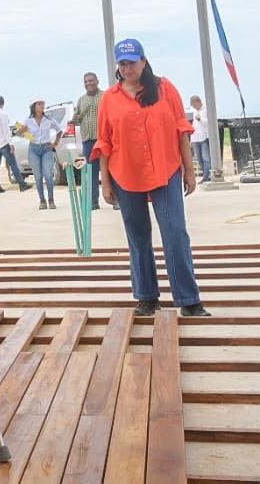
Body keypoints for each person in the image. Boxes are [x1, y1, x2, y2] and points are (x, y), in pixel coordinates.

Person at [94, 38, 210, 317]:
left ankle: (188, 299)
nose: (127, 67)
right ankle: (147, 297)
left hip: (165, 170)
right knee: (138, 236)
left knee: (175, 233)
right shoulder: (109, 99)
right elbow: (104, 144)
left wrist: (189, 169)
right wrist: (106, 182)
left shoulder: (165, 89)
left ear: (144, 61)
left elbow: (181, 130)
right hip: (126, 175)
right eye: (122, 63)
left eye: (132, 62)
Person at [17, 100, 63, 209]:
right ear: (34, 107)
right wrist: (22, 131)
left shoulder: (49, 120)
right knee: (38, 177)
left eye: (43, 104)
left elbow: (59, 131)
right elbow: (19, 133)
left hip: (47, 148)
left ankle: (51, 200)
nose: (42, 106)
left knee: (48, 175)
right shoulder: (28, 121)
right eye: (39, 104)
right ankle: (42, 200)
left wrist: (55, 143)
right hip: (34, 149)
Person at [71, 72, 104, 208]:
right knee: (90, 173)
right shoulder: (81, 100)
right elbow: (76, 120)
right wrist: (76, 118)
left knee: (110, 171)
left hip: (103, 139)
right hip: (88, 141)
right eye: (86, 81)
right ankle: (93, 202)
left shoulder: (105, 96)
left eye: (91, 80)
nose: (88, 83)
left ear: (97, 81)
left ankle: (116, 201)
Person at [0, 96, 29, 193]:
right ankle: (22, 184)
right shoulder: (3, 114)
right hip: (4, 143)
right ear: (3, 103)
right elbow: (6, 130)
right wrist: (11, 143)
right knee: (13, 164)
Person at [190, 95, 212, 184]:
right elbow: (193, 126)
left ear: (197, 102)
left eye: (194, 105)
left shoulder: (206, 110)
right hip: (196, 138)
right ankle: (205, 174)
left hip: (204, 137)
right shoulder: (194, 111)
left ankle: (207, 176)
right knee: (198, 158)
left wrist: (200, 119)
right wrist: (191, 140)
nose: (194, 107)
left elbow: (209, 123)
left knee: (205, 157)